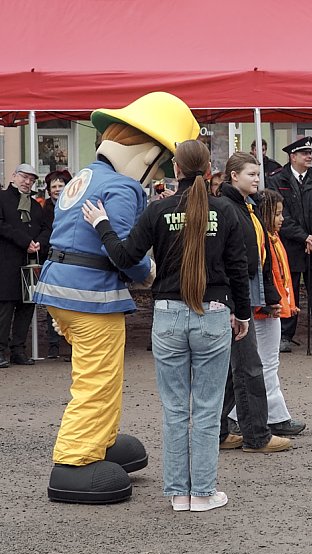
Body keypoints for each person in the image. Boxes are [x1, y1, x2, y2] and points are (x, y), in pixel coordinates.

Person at [34, 91, 200, 504]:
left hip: (61, 287)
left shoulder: (84, 177)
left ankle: (99, 442)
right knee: (98, 378)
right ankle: (74, 460)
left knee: (94, 373)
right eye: (161, 163)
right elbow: (124, 252)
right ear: (146, 156)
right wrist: (149, 273)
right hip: (91, 295)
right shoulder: (124, 188)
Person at [81, 139, 250, 512]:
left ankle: (178, 493)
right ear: (209, 170)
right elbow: (240, 268)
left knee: (175, 410)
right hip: (215, 311)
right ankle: (204, 492)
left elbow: (126, 257)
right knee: (207, 409)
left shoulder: (158, 211)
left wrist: (102, 224)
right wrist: (242, 314)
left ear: (176, 170)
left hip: (169, 314)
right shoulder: (225, 210)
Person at [217, 152, 293, 453]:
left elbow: (258, 256)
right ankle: (257, 435)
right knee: (248, 367)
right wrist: (238, 305)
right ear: (234, 175)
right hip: (236, 296)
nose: (257, 179)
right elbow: (234, 258)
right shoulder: (228, 208)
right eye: (251, 174)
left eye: (258, 174)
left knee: (234, 369)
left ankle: (220, 431)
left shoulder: (245, 207)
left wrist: (269, 296)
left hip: (244, 292)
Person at [226, 189, 306, 437]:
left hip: (267, 307)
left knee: (259, 364)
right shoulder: (265, 240)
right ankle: (273, 416)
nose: (282, 219)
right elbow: (266, 275)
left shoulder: (270, 238)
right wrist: (271, 301)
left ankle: (240, 415)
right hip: (264, 310)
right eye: (278, 214)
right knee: (265, 364)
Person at [266, 136, 312, 353]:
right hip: (291, 246)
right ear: (292, 156)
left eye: (310, 153)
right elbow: (280, 215)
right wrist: (303, 237)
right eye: (304, 153)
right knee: (288, 290)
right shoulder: (277, 179)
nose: (309, 156)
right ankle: (285, 335)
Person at [0, 163, 49, 368]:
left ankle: (18, 350)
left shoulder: (37, 205)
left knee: (27, 307)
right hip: (7, 261)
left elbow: (47, 228)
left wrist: (39, 242)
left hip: (31, 263)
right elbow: (2, 225)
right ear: (14, 176)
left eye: (31, 179)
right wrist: (24, 241)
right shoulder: (2, 198)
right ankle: (1, 351)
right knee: (5, 308)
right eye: (24, 177)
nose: (27, 182)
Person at [38, 169, 72, 359]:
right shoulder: (45, 210)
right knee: (53, 304)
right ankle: (53, 344)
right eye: (54, 187)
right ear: (49, 190)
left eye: (61, 185)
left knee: (72, 303)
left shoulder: (75, 205)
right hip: (51, 258)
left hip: (72, 260)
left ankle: (73, 345)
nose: (58, 189)